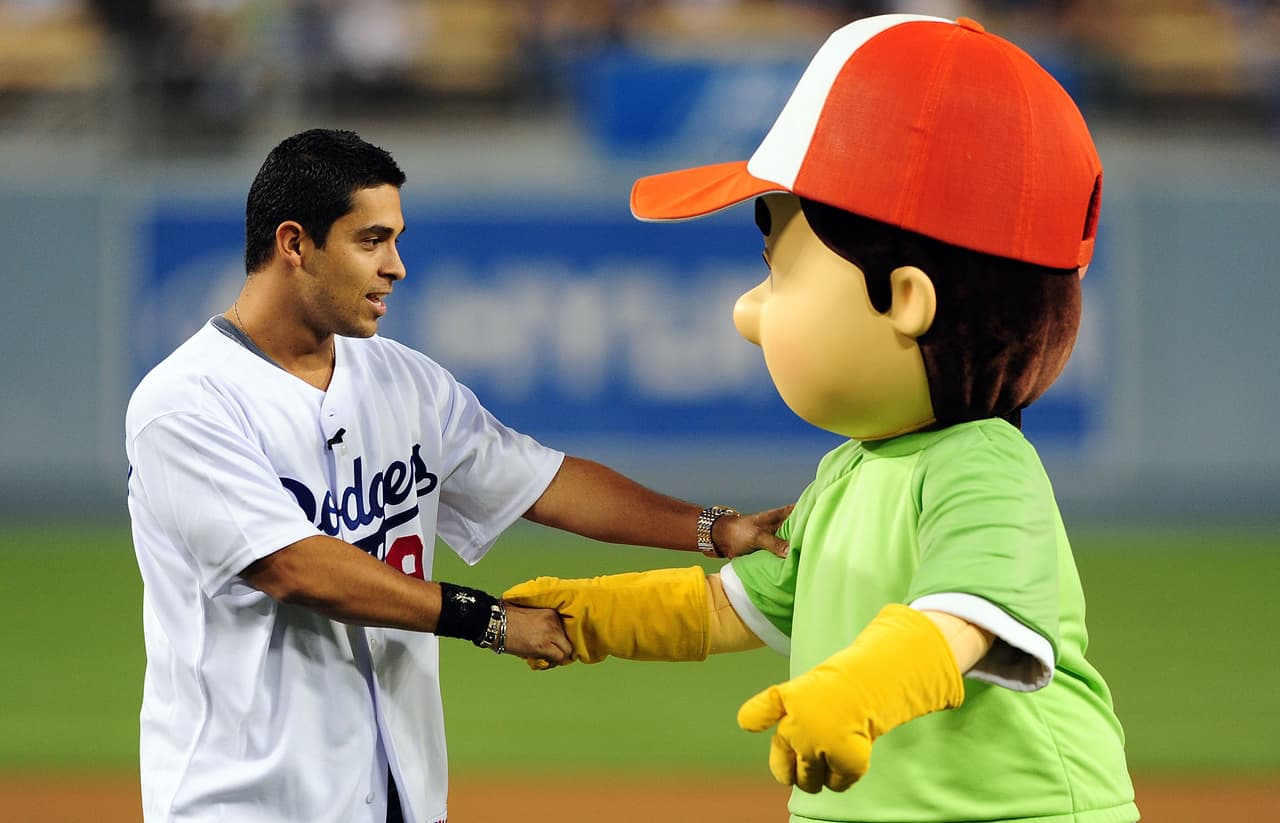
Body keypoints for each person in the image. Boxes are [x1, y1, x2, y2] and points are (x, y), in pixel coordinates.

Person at [505, 14, 1139, 823]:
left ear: (907, 299)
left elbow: (963, 619)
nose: (746, 311)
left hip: (1016, 808)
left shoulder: (983, 464)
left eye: (781, 275)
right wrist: (592, 616)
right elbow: (732, 606)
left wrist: (857, 691)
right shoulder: (849, 471)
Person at [123, 128, 790, 823]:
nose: (396, 266)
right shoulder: (186, 402)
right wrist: (489, 619)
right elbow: (295, 567)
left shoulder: (404, 381)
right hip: (244, 800)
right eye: (371, 240)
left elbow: (545, 481)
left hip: (399, 794)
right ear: (294, 244)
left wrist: (715, 529)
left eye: (397, 239)